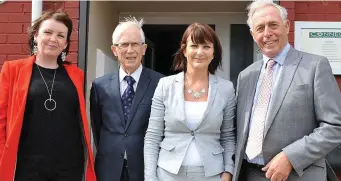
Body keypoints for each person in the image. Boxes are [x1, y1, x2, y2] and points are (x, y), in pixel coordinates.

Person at [233, 1, 341, 181]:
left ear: (286, 26)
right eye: (260, 28)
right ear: (253, 34)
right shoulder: (245, 76)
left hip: (297, 175)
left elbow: (335, 126)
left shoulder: (314, 66)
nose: (267, 33)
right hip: (250, 174)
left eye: (273, 25)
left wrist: (290, 157)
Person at [0, 10, 96, 181]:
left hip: (69, 167)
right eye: (48, 32)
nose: (53, 39)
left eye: (61, 35)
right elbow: (1, 119)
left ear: (66, 43)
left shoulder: (76, 75)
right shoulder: (12, 69)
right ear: (36, 35)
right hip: (26, 167)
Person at [144, 23, 236, 181]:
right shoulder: (165, 86)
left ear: (214, 53)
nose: (200, 52)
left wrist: (228, 171)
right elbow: (153, 136)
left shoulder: (226, 89)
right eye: (194, 46)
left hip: (212, 175)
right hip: (168, 174)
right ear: (184, 50)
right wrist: (151, 177)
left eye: (206, 46)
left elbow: (228, 136)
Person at [90, 17, 163, 181]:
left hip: (146, 168)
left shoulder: (161, 84)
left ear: (144, 49)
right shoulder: (99, 86)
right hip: (108, 169)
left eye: (135, 44)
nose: (130, 50)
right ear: (114, 50)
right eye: (124, 44)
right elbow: (98, 127)